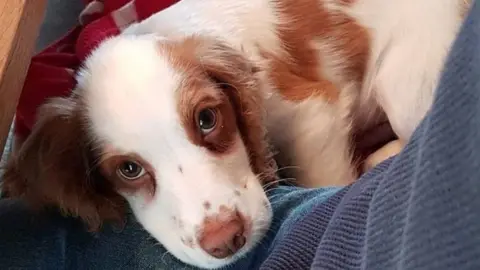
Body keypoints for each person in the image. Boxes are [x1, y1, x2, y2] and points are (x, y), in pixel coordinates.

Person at [1, 2, 479, 269]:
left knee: (420, 116)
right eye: (131, 169)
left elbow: (314, 105)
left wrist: (323, 206)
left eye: (207, 121)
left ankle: (393, 171)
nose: (217, 226)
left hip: (410, 20)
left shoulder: (216, 63)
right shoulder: (96, 119)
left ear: (237, 97)